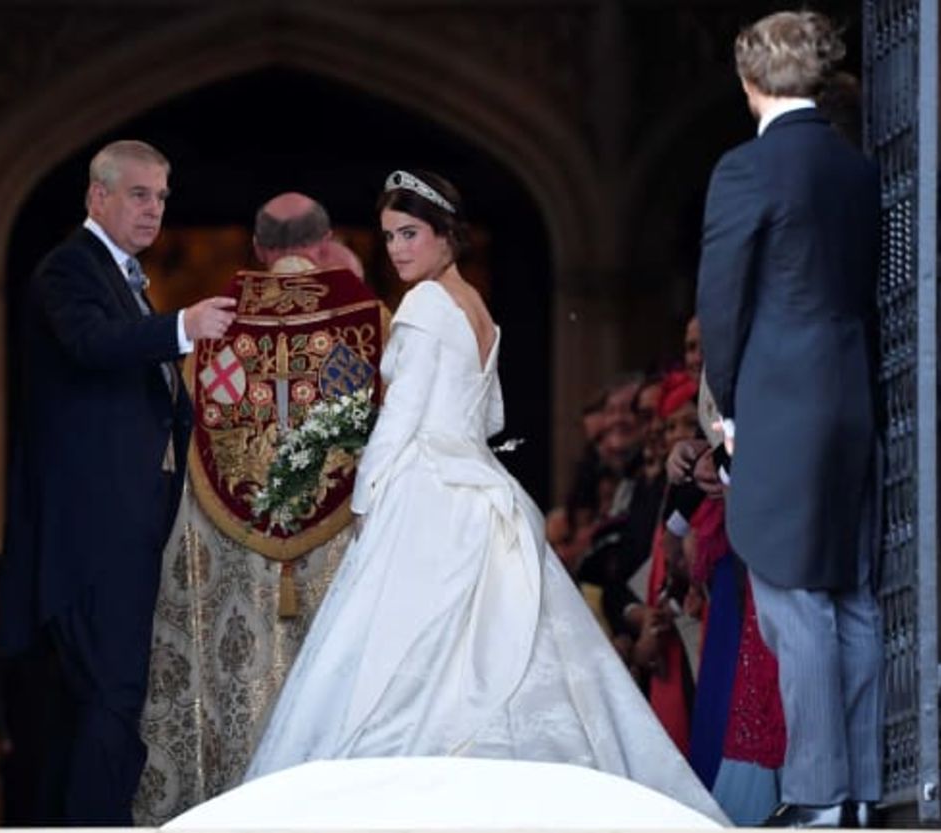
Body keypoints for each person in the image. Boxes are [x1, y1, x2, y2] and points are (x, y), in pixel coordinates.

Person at [243, 169, 725, 823]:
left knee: (399, 655)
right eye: (389, 237)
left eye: (411, 233)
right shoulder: (480, 313)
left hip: (426, 491)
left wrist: (365, 500)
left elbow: (403, 413)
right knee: (506, 647)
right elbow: (491, 414)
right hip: (483, 489)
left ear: (446, 233)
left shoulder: (421, 306)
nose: (398, 249)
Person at [0, 139, 236, 824]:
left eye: (162, 197)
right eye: (139, 194)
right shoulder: (70, 267)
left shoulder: (123, 275)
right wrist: (183, 327)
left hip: (126, 523)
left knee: (103, 706)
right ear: (97, 197)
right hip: (92, 532)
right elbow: (92, 345)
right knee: (109, 699)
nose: (154, 209)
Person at [135, 192, 389, 822]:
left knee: (237, 688)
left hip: (231, 557)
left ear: (257, 248)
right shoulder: (374, 323)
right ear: (326, 240)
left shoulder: (207, 323)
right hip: (342, 552)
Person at [696, 11, 882, 828]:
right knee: (850, 595)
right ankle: (866, 785)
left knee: (791, 594)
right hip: (849, 395)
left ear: (750, 80)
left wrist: (727, 404)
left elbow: (723, 300)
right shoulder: (856, 169)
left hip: (779, 400)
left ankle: (815, 791)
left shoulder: (747, 168)